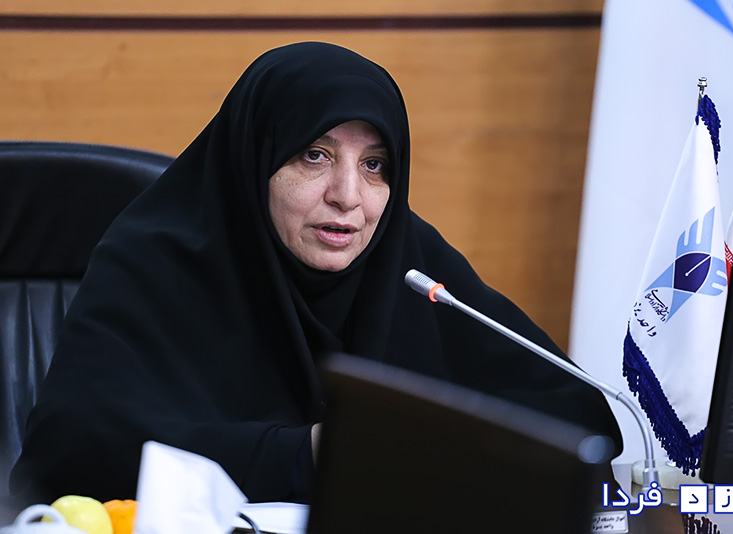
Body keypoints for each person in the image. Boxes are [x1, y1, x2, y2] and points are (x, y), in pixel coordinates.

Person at [11, 42, 621, 504]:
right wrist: (306, 455)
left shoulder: (407, 262)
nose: (348, 196)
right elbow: (72, 453)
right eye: (315, 155)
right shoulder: (154, 261)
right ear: (256, 159)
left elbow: (579, 415)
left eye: (375, 165)